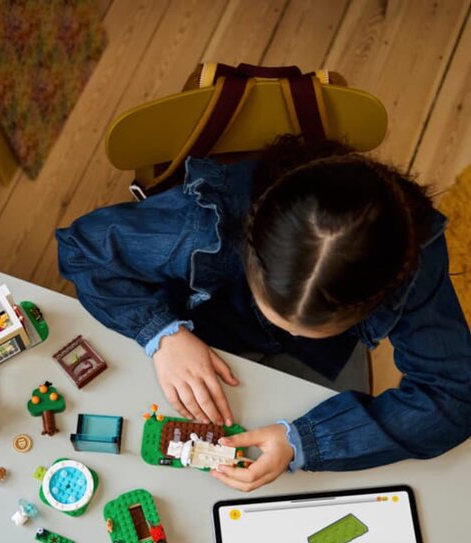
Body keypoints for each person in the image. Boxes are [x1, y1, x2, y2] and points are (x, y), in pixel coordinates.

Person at [56, 136, 471, 491]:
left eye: (308, 327)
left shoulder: (412, 258)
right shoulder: (204, 223)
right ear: (249, 248)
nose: (288, 331)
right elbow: (81, 249)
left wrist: (303, 442)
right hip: (200, 327)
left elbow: (454, 398)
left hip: (312, 367)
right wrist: (162, 333)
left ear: (375, 301)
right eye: (278, 313)